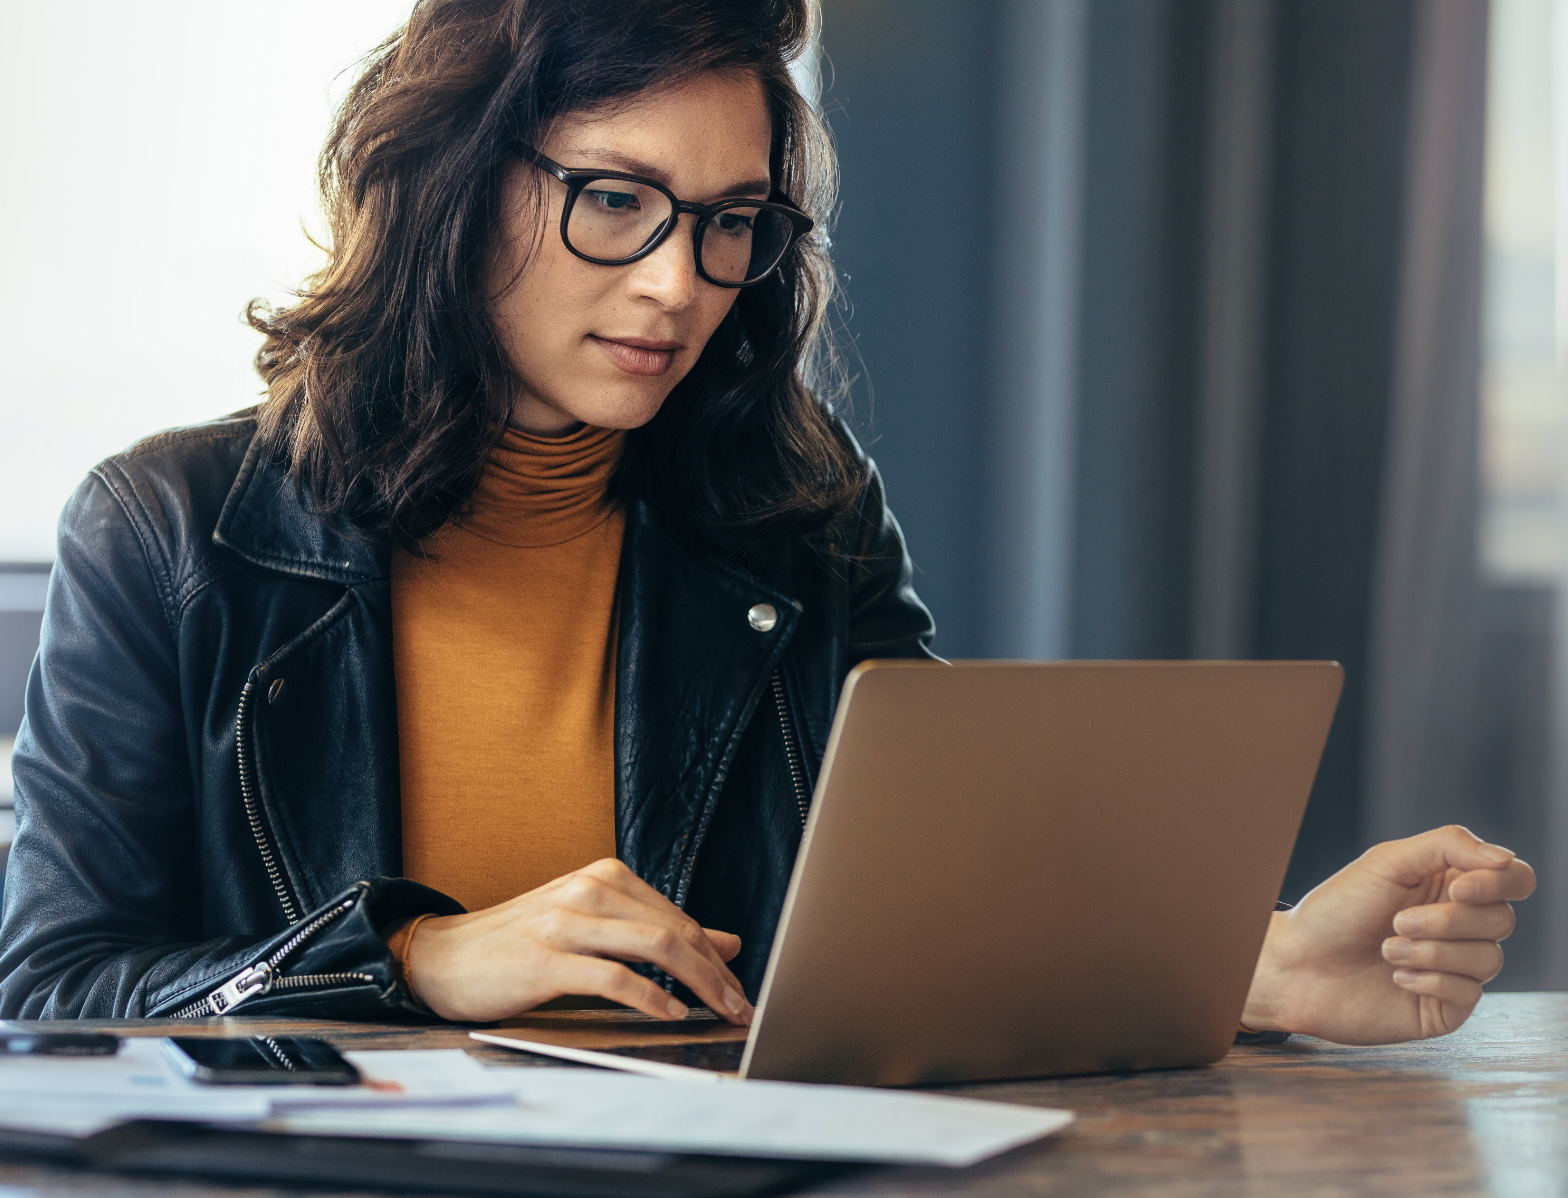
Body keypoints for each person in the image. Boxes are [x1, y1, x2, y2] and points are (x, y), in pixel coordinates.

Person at [0, 0, 1534, 1048]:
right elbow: (48, 989)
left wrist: (1255, 964)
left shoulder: (795, 506)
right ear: (449, 183)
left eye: (731, 220)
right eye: (615, 199)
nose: (678, 282)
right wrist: (409, 960)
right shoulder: (171, 533)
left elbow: (941, 906)